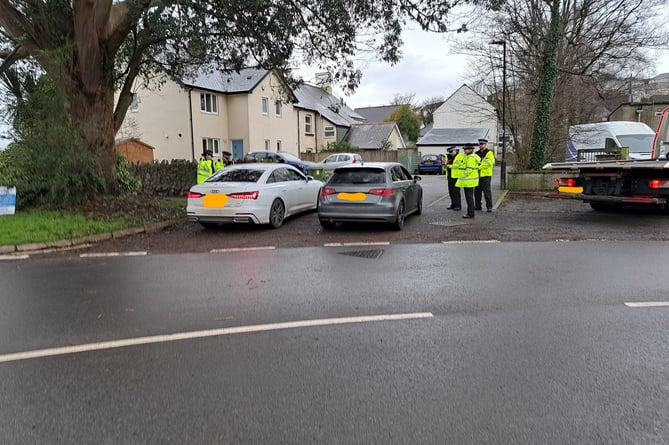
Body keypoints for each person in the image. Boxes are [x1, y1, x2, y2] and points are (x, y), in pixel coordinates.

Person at [454, 144, 481, 219]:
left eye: (465, 149)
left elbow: (469, 169)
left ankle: (470, 213)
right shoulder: (467, 157)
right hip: (468, 181)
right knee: (469, 198)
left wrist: (462, 175)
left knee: (469, 198)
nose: (464, 150)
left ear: (470, 150)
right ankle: (470, 213)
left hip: (469, 181)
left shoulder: (471, 158)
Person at [475, 138, 495, 212]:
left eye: (482, 144)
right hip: (478, 175)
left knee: (487, 191)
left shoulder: (489, 153)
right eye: (480, 144)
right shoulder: (476, 153)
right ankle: (477, 206)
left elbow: (489, 163)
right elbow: (474, 163)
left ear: (486, 145)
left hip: (486, 175)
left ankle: (489, 206)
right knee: (477, 191)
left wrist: (479, 166)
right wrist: (479, 165)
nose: (481, 145)